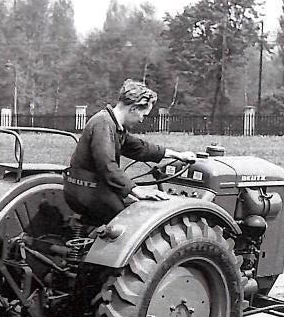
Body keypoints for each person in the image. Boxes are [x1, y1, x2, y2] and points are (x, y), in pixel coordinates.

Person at [64, 80, 197, 224]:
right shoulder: (103, 124)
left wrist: (177, 155)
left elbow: (139, 148)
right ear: (133, 108)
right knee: (136, 221)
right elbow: (107, 165)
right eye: (143, 115)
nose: (141, 120)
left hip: (86, 189)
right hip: (90, 192)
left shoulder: (112, 124)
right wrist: (136, 190)